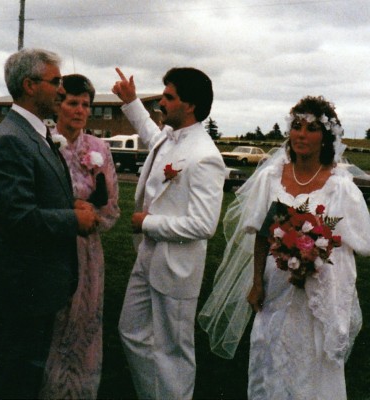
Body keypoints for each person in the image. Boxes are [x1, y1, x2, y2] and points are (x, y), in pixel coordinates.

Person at [199, 96, 370, 399]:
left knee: (310, 359)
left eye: (312, 128)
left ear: (326, 137)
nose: (302, 134)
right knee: (271, 352)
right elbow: (263, 234)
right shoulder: (271, 178)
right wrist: (255, 283)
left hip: (316, 291)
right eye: (297, 126)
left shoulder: (340, 187)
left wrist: (315, 255)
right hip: (275, 283)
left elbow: (355, 244)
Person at [0, 49, 98, 399]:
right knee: (15, 375)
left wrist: (67, 202)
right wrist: (73, 218)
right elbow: (16, 218)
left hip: (37, 283)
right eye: (56, 82)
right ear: (30, 86)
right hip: (24, 285)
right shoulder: (12, 139)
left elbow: (35, 196)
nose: (62, 91)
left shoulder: (33, 133)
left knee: (25, 371)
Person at [112, 67, 225, 399]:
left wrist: (147, 223)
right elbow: (150, 131)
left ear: (189, 106)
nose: (160, 102)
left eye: (168, 97)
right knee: (131, 331)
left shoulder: (205, 156)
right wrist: (132, 102)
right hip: (146, 258)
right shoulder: (168, 136)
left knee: (174, 351)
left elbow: (204, 224)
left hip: (177, 267)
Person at [39, 74, 120, 399]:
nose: (81, 110)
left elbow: (112, 206)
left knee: (82, 323)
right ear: (58, 104)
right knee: (50, 323)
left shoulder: (99, 149)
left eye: (86, 104)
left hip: (87, 253)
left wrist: (91, 218)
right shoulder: (42, 144)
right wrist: (68, 211)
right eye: (73, 103)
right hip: (50, 248)